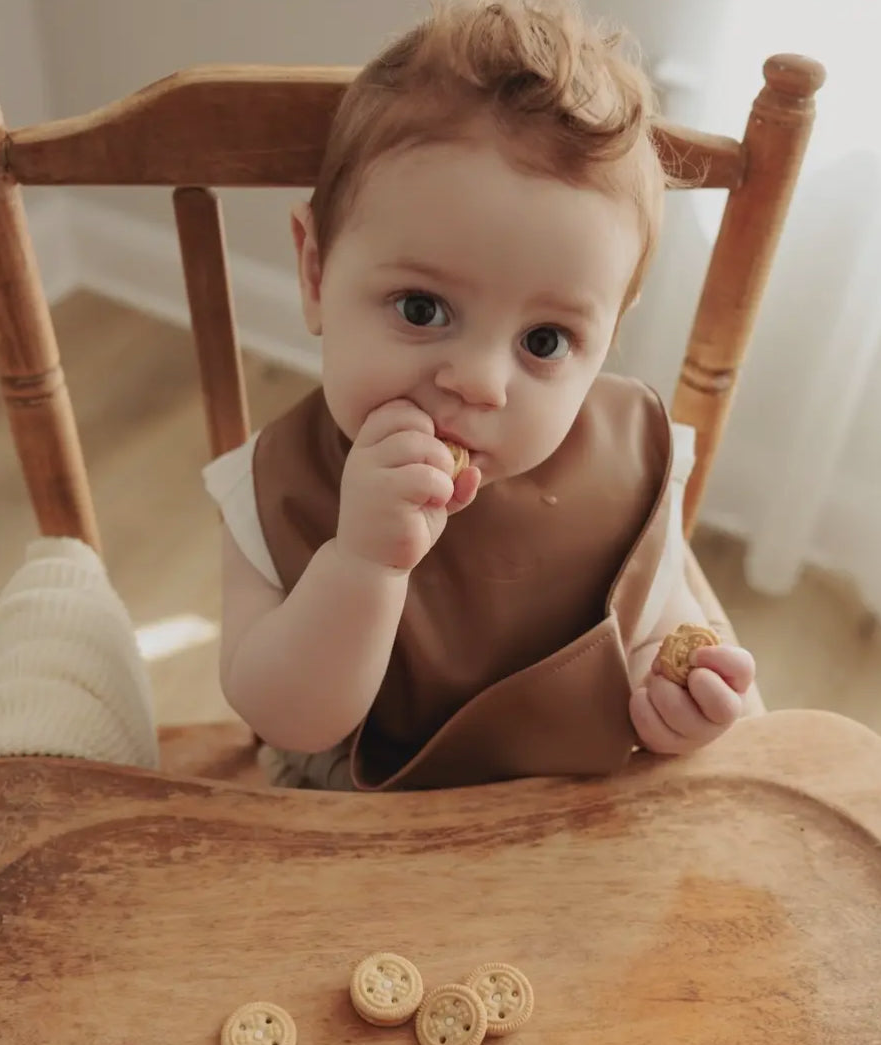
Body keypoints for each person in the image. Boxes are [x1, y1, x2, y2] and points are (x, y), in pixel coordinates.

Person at [204, 0, 755, 791]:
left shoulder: (630, 462)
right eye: (423, 309)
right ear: (317, 273)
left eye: (545, 342)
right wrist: (362, 565)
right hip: (351, 834)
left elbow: (644, 638)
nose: (481, 384)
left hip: (548, 834)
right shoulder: (274, 486)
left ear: (607, 339)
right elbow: (286, 718)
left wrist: (675, 699)